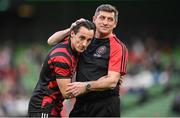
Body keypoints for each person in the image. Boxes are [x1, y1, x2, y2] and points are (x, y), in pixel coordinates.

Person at [48, 4, 128, 117]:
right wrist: (72, 28)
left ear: (115, 24)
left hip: (105, 105)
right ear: (94, 19)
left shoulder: (118, 46)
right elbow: (52, 41)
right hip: (81, 103)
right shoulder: (85, 38)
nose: (105, 22)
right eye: (102, 18)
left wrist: (85, 86)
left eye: (110, 19)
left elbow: (112, 82)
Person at [27, 20, 96, 117]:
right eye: (82, 38)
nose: (84, 44)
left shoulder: (70, 42)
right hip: (43, 107)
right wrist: (92, 86)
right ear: (72, 34)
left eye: (89, 40)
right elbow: (67, 93)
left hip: (53, 107)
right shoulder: (62, 57)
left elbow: (50, 41)